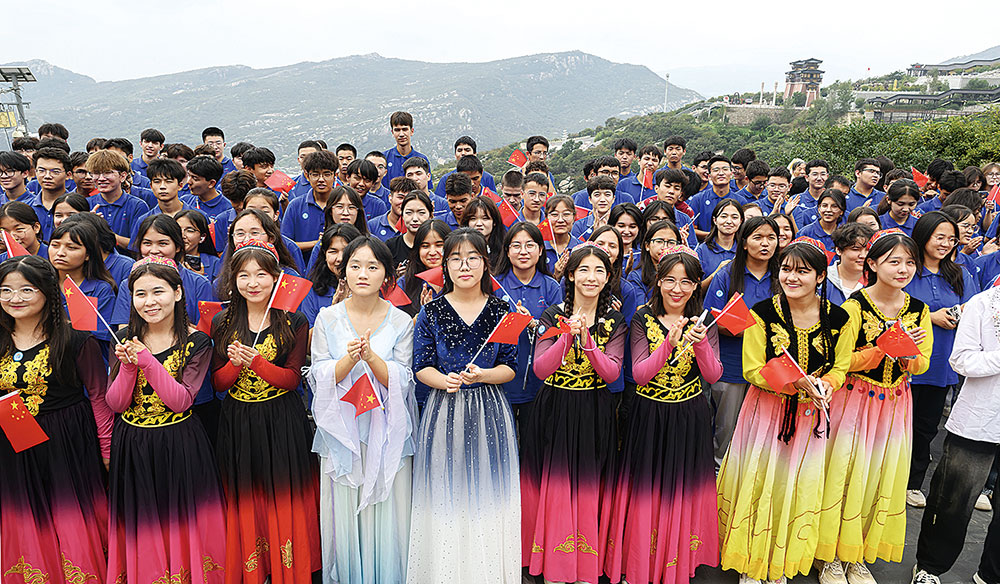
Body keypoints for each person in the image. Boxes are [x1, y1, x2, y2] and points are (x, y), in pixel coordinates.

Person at [718, 237, 858, 584]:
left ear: (821, 277)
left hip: (811, 417)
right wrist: (792, 383)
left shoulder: (839, 318)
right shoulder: (762, 314)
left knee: (796, 483)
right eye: (786, 270)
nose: (792, 277)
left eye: (802, 271)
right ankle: (751, 562)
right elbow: (752, 368)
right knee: (760, 480)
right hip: (766, 412)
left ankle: (780, 559)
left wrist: (827, 384)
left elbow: (841, 367)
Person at [816, 229, 932, 583]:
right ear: (872, 264)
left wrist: (908, 356)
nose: (903, 269)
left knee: (880, 476)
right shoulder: (853, 307)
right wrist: (882, 349)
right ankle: (829, 555)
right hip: (854, 399)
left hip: (895, 401)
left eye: (910, 262)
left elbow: (923, 362)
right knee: (843, 474)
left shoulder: (918, 310)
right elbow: (839, 361)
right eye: (894, 261)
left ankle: (857, 554)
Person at [603, 247, 723, 584]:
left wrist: (699, 344)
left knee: (680, 491)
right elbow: (640, 374)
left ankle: (674, 563)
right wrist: (668, 344)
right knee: (646, 491)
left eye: (687, 282)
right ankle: (640, 564)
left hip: (689, 416)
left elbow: (712, 375)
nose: (677, 289)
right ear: (658, 281)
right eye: (669, 280)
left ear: (697, 285)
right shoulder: (642, 316)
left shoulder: (705, 320)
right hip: (649, 414)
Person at [407, 228, 519, 582]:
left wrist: (484, 374)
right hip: (444, 412)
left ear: (485, 264)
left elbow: (510, 368)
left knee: (488, 490)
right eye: (455, 258)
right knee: (446, 490)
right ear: (445, 266)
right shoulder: (432, 311)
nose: (463, 265)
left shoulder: (503, 310)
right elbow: (421, 366)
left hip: (490, 412)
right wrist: (445, 380)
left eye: (472, 257)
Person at [104, 256, 226, 582]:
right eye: (140, 294)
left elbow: (181, 401)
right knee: (142, 522)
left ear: (177, 292)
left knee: (180, 522)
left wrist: (145, 361)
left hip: (178, 443)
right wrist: (129, 366)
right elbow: (115, 403)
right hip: (132, 445)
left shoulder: (196, 341)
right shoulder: (125, 335)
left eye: (158, 292)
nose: (149, 302)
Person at [210, 239, 320, 582]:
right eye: (243, 275)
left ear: (276, 277)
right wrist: (234, 366)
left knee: (284, 497)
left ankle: (291, 568)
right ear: (233, 279)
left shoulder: (293, 321)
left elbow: (291, 380)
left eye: (261, 274)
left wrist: (255, 361)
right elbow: (218, 383)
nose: (252, 283)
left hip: (282, 421)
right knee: (247, 498)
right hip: (239, 421)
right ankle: (255, 569)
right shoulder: (222, 322)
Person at [310, 236, 417, 584]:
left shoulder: (402, 322)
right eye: (355, 266)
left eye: (373, 267)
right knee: (344, 507)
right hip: (343, 430)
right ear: (343, 272)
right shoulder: (327, 319)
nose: (363, 273)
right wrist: (350, 359)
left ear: (386, 274)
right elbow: (318, 374)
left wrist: (372, 358)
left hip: (385, 430)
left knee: (387, 510)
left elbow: (403, 379)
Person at [0, 255, 112, 582]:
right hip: (13, 445)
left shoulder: (76, 339)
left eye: (25, 290)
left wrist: (107, 450)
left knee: (71, 516)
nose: (14, 299)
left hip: (67, 443)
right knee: (25, 514)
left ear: (48, 292)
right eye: (5, 290)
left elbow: (99, 396)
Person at [520, 244, 626, 583]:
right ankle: (555, 565)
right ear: (570, 274)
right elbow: (541, 368)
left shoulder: (615, 320)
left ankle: (585, 566)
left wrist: (589, 342)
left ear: (607, 277)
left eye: (598, 271)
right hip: (556, 409)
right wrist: (567, 336)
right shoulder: (553, 315)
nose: (590, 277)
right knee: (555, 490)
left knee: (589, 489)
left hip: (595, 410)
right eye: (583, 270)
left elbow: (611, 373)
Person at [910, 283, 1000, 584]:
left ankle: (991, 574)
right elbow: (961, 360)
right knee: (953, 500)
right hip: (980, 421)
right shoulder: (983, 304)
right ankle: (929, 568)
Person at [903, 211, 978, 508]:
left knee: (925, 427)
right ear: (923, 236)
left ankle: (913, 482)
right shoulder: (907, 269)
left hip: (940, 365)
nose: (945, 243)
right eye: (939, 237)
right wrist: (929, 317)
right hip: (905, 364)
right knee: (898, 428)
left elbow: (973, 309)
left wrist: (959, 316)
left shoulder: (958, 274)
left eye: (950, 238)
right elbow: (891, 307)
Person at [705, 216, 781, 465]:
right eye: (758, 237)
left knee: (763, 431)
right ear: (744, 242)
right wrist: (745, 329)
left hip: (771, 368)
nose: (765, 244)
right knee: (727, 429)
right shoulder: (727, 275)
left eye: (771, 238)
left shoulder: (783, 276)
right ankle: (719, 477)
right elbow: (710, 321)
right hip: (732, 367)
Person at [493, 222, 561, 427]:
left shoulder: (551, 287)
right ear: (507, 251)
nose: (523, 251)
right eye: (516, 246)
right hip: (501, 381)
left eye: (530, 245)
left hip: (539, 382)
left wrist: (534, 324)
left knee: (534, 446)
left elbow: (560, 333)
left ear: (541, 250)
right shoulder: (495, 285)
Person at [113, 215, 217, 328]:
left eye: (163, 243)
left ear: (177, 246)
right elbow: (124, 327)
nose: (154, 251)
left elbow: (205, 331)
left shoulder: (199, 284)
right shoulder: (128, 284)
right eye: (147, 243)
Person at [49, 220, 118, 352]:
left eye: (71, 247)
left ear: (88, 254)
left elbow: (99, 336)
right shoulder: (43, 284)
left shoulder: (101, 289)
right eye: (55, 245)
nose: (60, 253)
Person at [86, 149, 150, 249]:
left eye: (108, 173)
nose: (101, 178)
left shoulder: (137, 206)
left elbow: (139, 245)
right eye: (96, 173)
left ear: (123, 176)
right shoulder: (87, 204)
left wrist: (104, 232)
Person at [301, 224, 362, 326]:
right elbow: (307, 339)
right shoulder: (312, 291)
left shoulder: (370, 287)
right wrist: (334, 310)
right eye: (333, 252)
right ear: (325, 255)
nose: (340, 258)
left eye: (346, 251)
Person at [283, 150, 340, 256]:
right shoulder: (295, 206)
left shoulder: (343, 205)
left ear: (335, 175)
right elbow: (284, 245)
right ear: (307, 176)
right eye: (315, 174)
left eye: (327, 174)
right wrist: (316, 244)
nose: (321, 179)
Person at [396, 219, 451, 325]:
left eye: (439, 245)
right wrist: (422, 316)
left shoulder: (460, 280)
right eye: (425, 246)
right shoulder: (405, 282)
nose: (432, 252)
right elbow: (396, 327)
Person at [627, 220, 684, 302]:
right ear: (647, 245)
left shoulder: (684, 274)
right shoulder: (636, 276)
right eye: (659, 241)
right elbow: (640, 310)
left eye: (671, 242)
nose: (665, 247)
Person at [696, 199, 744, 290]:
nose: (729, 221)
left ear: (741, 221)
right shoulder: (702, 251)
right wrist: (717, 273)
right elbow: (695, 290)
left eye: (734, 217)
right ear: (715, 220)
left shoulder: (745, 248)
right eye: (724, 216)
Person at [382, 111, 433, 190]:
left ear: (411, 131)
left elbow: (427, 189)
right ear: (392, 132)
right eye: (397, 130)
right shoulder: (384, 158)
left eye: (405, 129)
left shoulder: (422, 159)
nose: (401, 134)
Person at [827, 223, 875, 305]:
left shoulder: (876, 281)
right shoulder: (822, 279)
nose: (863, 255)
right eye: (856, 249)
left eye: (867, 250)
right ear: (838, 250)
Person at [386, 191, 433, 268]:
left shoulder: (437, 245)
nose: (415, 219)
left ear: (430, 215)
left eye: (421, 213)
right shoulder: (391, 246)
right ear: (402, 215)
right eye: (409, 213)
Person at [459, 195, 505, 269]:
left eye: (485, 218)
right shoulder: (458, 248)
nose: (479, 224)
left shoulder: (505, 250)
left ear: (494, 222)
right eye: (473, 219)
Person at [368, 177, 416, 242]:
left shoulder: (416, 226)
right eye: (400, 197)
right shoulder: (373, 226)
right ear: (390, 198)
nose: (404, 202)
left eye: (409, 198)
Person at [799, 189, 846, 253]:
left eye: (834, 206)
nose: (828, 210)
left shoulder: (845, 234)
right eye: (824, 206)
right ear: (818, 208)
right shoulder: (805, 233)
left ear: (841, 211)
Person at [186, 155, 230, 219]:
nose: (188, 181)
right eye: (189, 175)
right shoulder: (185, 201)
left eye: (195, 178)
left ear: (211, 183)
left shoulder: (227, 209)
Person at [610, 202, 643, 275]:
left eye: (632, 227)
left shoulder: (643, 256)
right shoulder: (606, 253)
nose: (627, 231)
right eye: (621, 226)